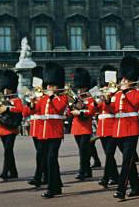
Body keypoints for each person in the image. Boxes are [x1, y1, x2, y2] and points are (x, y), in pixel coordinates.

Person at [110, 56, 139, 200]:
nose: (122, 81)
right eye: (121, 79)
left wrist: (123, 93)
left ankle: (121, 189)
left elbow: (134, 104)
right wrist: (105, 99)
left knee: (126, 161)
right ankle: (137, 187)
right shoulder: (116, 94)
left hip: (131, 129)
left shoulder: (136, 93)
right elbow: (110, 109)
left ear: (131, 80)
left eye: (125, 79)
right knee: (128, 161)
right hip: (118, 130)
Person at [34, 62, 68, 198]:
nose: (48, 87)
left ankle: (51, 188)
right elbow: (34, 111)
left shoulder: (62, 97)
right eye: (48, 85)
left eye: (51, 85)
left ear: (57, 86)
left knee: (51, 159)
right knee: (50, 160)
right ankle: (57, 185)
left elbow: (59, 108)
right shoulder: (43, 98)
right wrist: (32, 103)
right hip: (43, 132)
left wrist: (51, 96)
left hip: (55, 132)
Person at [0, 69, 24, 180]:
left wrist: (7, 108)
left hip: (11, 128)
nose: (6, 91)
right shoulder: (1, 99)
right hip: (2, 127)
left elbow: (20, 109)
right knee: (8, 150)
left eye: (8, 88)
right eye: (5, 88)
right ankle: (13, 172)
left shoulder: (16, 99)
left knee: (8, 150)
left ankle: (5, 172)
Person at [70, 67, 96, 180]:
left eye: (82, 88)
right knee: (83, 150)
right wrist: (72, 107)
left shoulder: (90, 98)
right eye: (79, 88)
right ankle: (88, 171)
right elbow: (68, 112)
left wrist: (79, 112)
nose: (80, 90)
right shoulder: (75, 98)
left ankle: (82, 171)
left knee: (83, 150)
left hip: (86, 127)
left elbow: (90, 111)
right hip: (76, 128)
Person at [95, 65, 119, 188]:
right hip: (102, 129)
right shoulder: (102, 95)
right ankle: (115, 177)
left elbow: (113, 110)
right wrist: (96, 101)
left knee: (109, 154)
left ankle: (105, 178)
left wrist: (108, 100)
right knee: (108, 154)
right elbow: (95, 110)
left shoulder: (116, 95)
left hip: (113, 127)